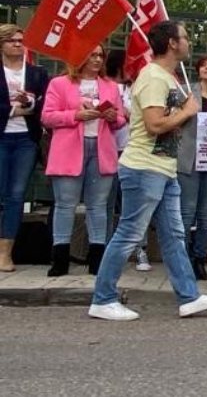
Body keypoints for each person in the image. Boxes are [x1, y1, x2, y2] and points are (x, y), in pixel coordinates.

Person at [89, 20, 207, 321]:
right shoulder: (153, 77)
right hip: (144, 167)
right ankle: (103, 298)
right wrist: (188, 111)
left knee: (174, 234)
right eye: (185, 37)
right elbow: (154, 125)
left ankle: (189, 297)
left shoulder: (169, 77)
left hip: (164, 169)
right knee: (129, 233)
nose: (189, 42)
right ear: (172, 44)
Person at [41, 44, 126, 276]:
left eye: (100, 55)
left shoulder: (110, 86)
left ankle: (97, 259)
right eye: (92, 55)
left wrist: (112, 117)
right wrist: (76, 115)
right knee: (65, 205)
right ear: (80, 57)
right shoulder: (60, 83)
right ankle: (60, 259)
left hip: (101, 149)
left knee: (98, 206)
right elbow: (47, 116)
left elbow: (120, 119)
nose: (97, 60)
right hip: (69, 150)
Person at [0, 23, 48, 272]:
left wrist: (29, 102)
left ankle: (5, 252)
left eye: (20, 40)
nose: (18, 45)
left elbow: (44, 104)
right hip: (2, 136)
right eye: (12, 41)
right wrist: (13, 109)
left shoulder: (36, 73)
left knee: (16, 195)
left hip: (25, 139)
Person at [176, 54, 207, 281]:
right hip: (189, 159)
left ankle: (199, 259)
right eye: (203, 64)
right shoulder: (186, 91)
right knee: (187, 212)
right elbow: (170, 118)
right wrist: (185, 111)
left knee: (206, 215)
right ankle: (181, 259)